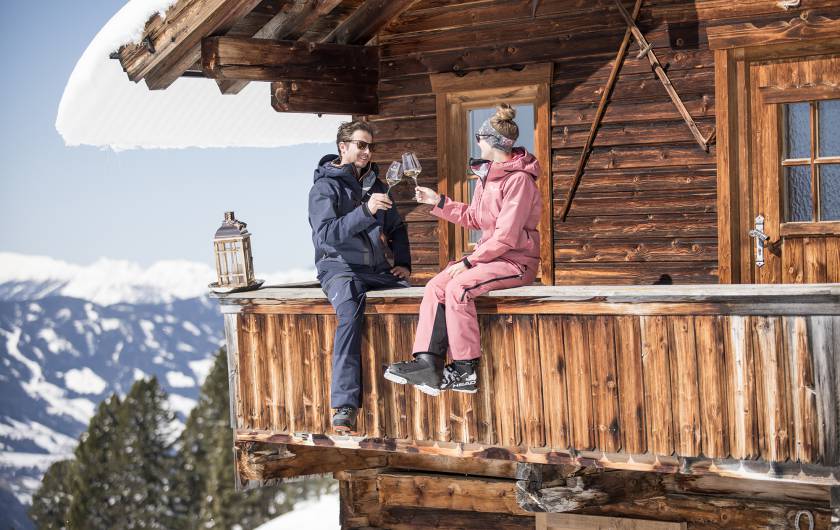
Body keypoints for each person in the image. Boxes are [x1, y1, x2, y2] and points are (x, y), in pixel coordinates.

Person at [384, 104, 541, 395]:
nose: (477, 143)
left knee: (459, 288)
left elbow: (506, 237)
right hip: (490, 259)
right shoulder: (489, 178)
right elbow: (475, 218)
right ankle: (428, 363)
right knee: (436, 285)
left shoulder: (519, 181)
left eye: (480, 138)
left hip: (515, 261)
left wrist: (469, 263)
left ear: (493, 142)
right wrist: (438, 202)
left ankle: (464, 369)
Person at [309, 120, 411, 433]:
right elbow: (326, 235)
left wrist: (404, 263)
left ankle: (416, 382)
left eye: (370, 146)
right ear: (343, 147)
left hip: (375, 269)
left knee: (417, 296)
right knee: (350, 316)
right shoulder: (325, 188)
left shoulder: (378, 186)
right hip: (338, 267)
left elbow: (396, 227)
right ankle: (344, 406)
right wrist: (364, 212)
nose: (367, 151)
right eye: (360, 145)